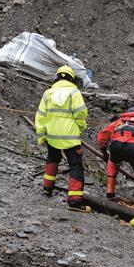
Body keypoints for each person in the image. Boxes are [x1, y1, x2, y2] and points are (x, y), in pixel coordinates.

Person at [35, 65, 88, 211]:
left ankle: (47, 188)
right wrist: (82, 125)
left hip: (52, 136)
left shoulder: (48, 93)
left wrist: (41, 135)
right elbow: (80, 113)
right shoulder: (74, 92)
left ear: (57, 77)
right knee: (75, 166)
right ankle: (75, 201)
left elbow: (40, 116)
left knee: (52, 159)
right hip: (70, 137)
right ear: (72, 78)